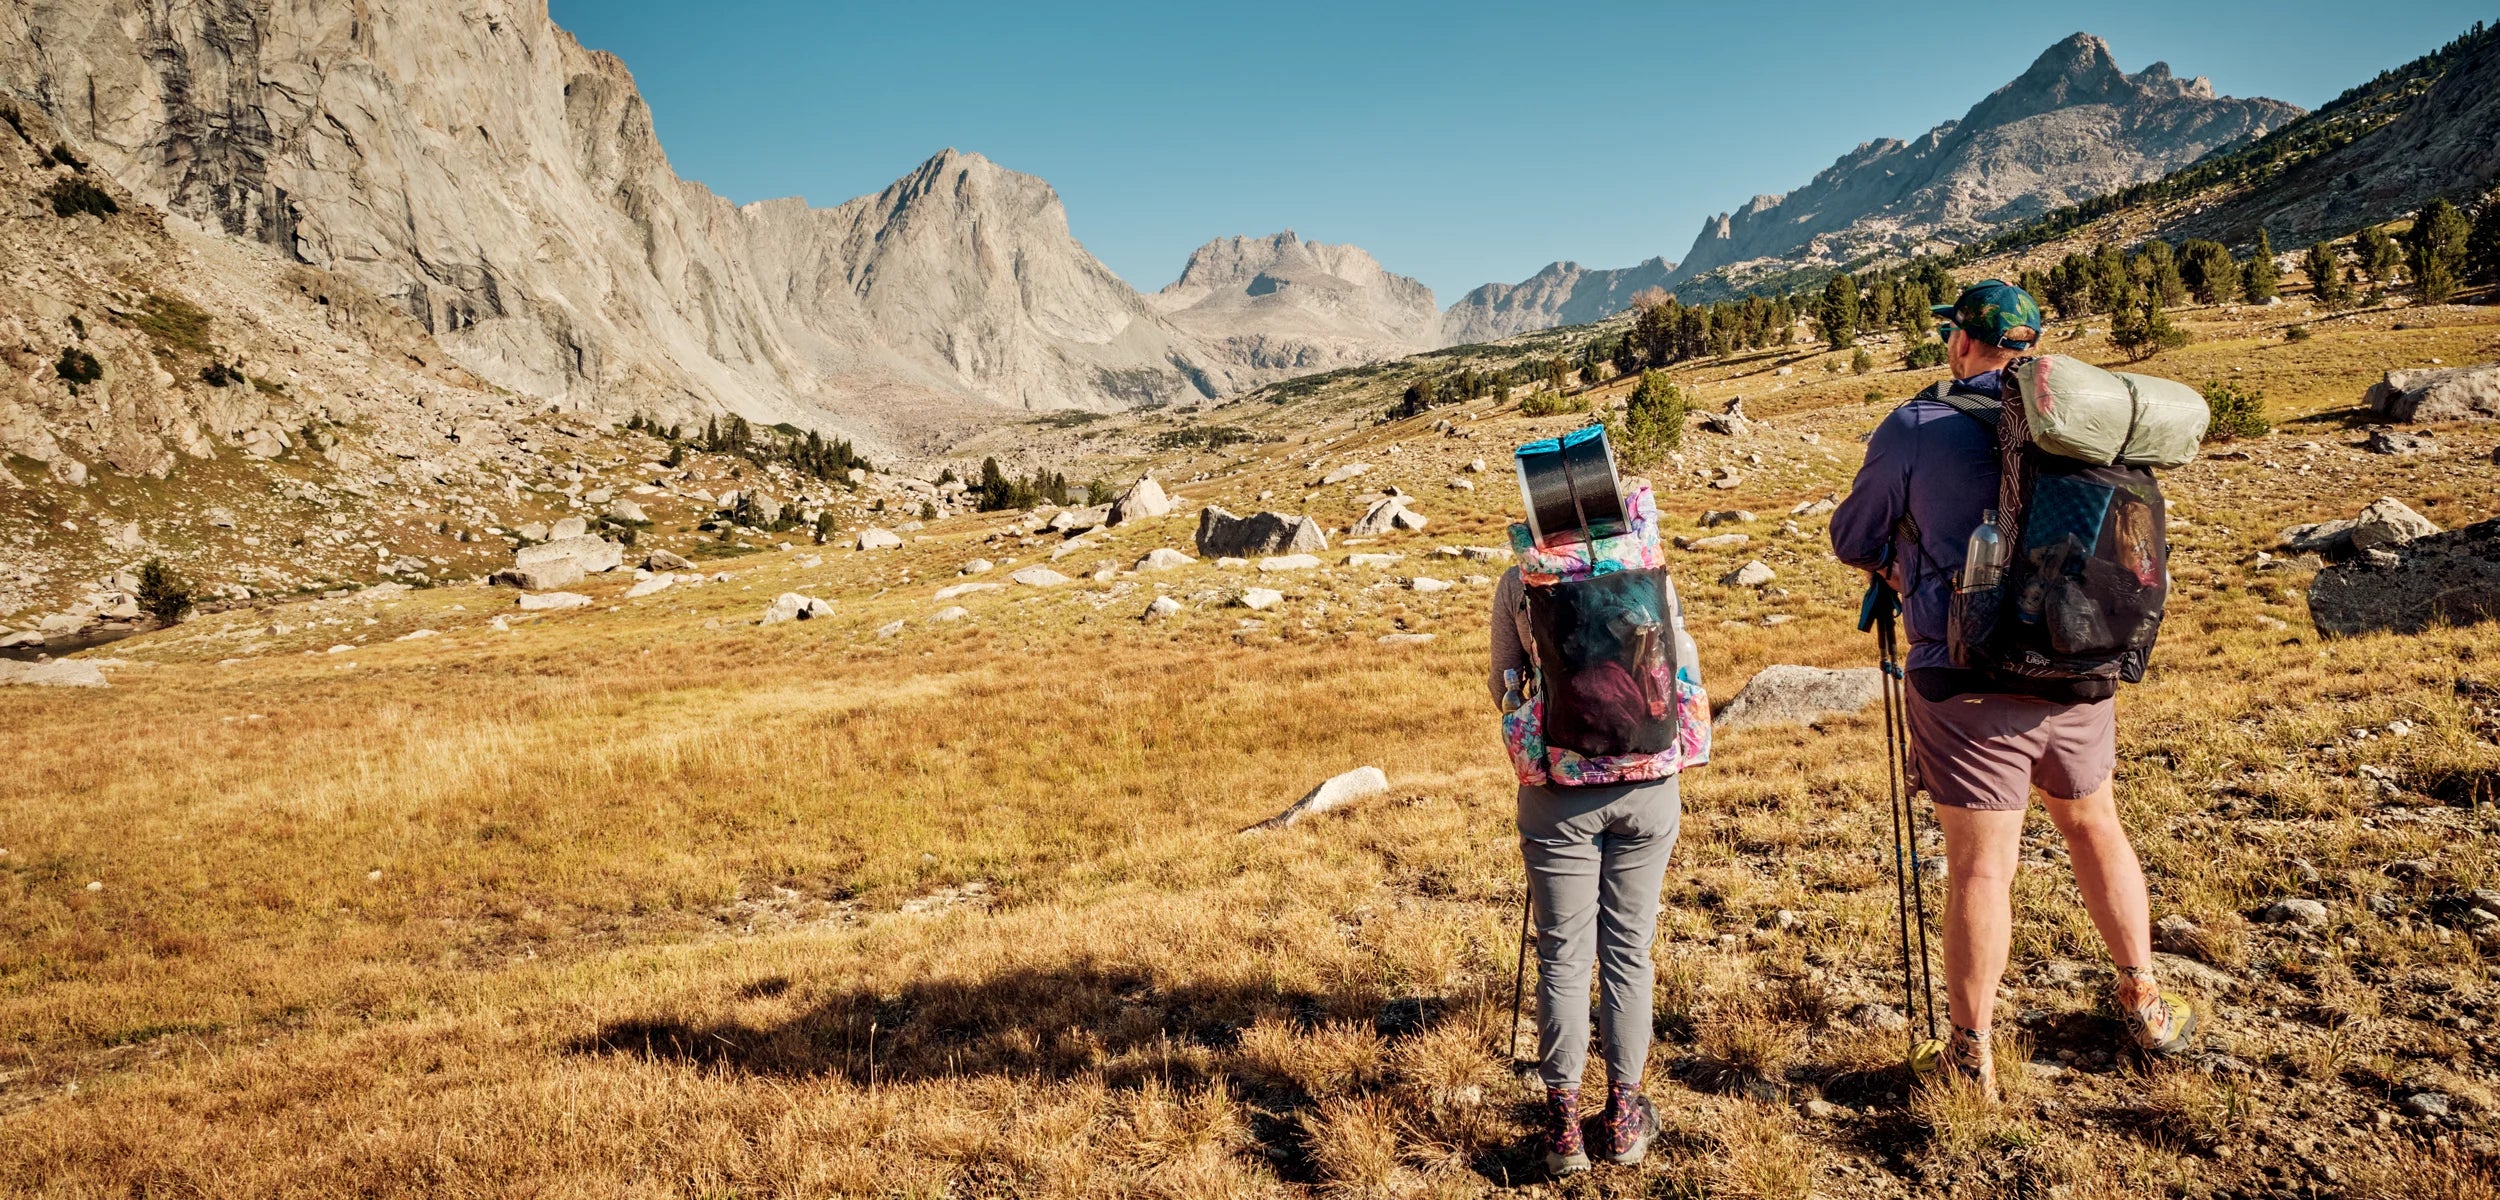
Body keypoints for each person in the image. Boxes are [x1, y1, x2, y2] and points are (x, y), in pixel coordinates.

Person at [1829, 280, 2197, 1101]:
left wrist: (1901, 560)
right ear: (2030, 349)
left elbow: (1851, 535)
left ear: (1962, 343)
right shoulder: (2085, 422)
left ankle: (1974, 1053)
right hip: (2079, 661)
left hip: (1968, 679)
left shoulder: (1916, 426)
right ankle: (2142, 1000)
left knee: (1982, 869)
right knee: (2096, 826)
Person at [1489, 567, 1681, 1172]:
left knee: (1563, 955)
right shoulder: (1645, 564)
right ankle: (1624, 1121)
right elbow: (1678, 665)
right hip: (1648, 784)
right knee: (1629, 950)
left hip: (1558, 790)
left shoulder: (1520, 579)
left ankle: (1564, 1130)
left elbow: (1502, 683)